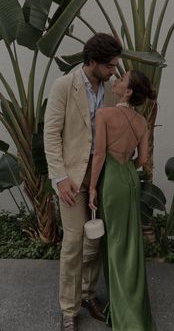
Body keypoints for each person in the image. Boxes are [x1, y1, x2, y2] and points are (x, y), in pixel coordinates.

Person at [43, 33, 122, 331]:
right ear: (92, 62)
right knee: (74, 242)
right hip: (72, 177)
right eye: (109, 66)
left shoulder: (111, 89)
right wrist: (60, 177)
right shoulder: (64, 86)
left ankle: (88, 294)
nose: (114, 71)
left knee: (95, 239)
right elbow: (51, 134)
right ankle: (69, 308)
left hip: (103, 174)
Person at [89, 70, 157, 331]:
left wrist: (93, 188)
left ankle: (124, 312)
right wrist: (127, 161)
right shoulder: (142, 122)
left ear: (128, 92)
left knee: (115, 244)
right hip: (129, 179)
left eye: (121, 80)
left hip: (112, 181)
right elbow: (142, 160)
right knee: (130, 242)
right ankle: (133, 303)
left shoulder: (104, 114)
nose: (115, 81)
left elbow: (98, 154)